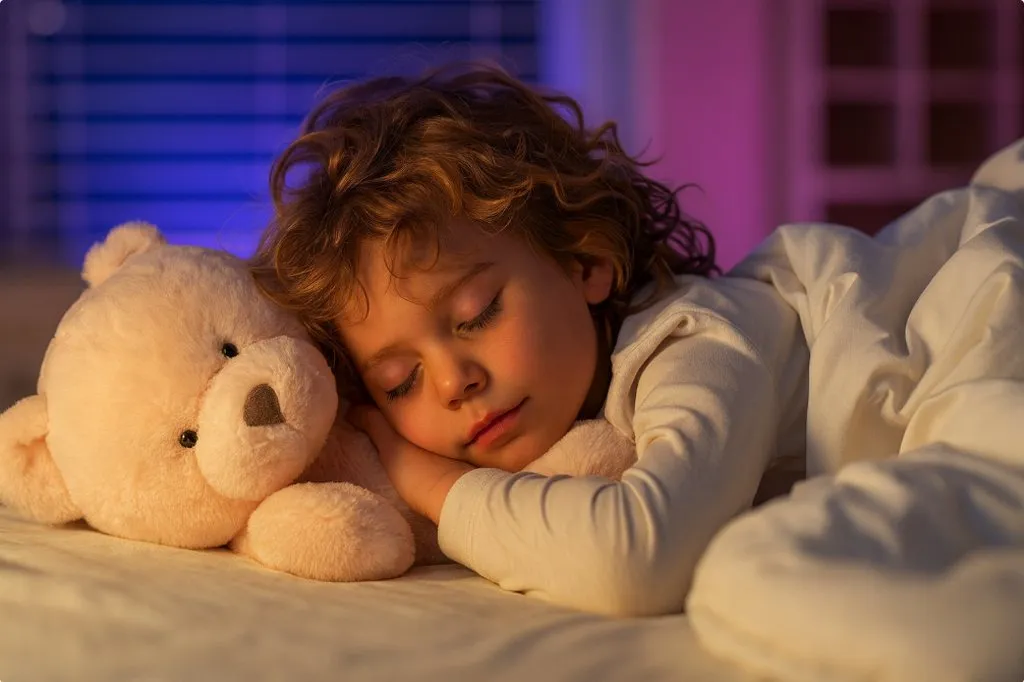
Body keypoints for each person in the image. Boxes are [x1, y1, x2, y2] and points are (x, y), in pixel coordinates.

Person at [251, 64, 809, 616]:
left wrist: (433, 483)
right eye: (400, 382)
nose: (451, 383)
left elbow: (640, 560)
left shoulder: (697, 341)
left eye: (477, 314)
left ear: (585, 259)